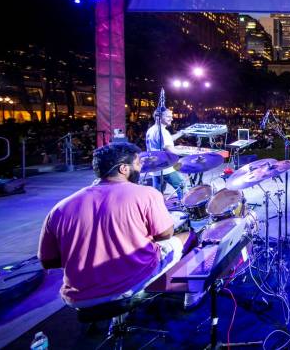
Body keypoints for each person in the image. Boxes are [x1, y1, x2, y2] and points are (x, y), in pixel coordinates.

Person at [37, 142, 195, 308]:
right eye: (138, 163)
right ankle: (188, 299)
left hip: (78, 298)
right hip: (129, 287)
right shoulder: (147, 194)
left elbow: (48, 261)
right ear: (124, 169)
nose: (141, 168)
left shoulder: (61, 207)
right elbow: (165, 235)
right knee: (188, 236)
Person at [145, 107, 188, 200]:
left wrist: (181, 133)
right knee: (182, 186)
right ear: (158, 117)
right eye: (168, 116)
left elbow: (166, 141)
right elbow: (171, 150)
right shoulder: (163, 132)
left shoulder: (151, 130)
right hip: (165, 167)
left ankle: (157, 207)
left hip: (155, 167)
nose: (171, 119)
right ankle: (184, 206)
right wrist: (189, 152)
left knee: (157, 194)